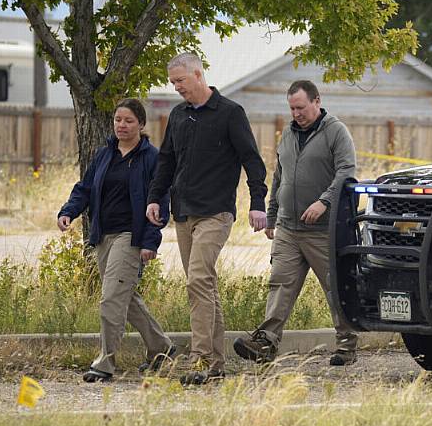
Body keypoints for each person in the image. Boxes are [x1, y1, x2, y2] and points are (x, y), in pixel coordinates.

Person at [146, 52, 267, 386]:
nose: (177, 88)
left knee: (197, 279)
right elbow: (166, 162)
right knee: (204, 285)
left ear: (198, 75)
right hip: (183, 212)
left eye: (180, 81)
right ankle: (216, 363)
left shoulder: (230, 113)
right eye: (173, 83)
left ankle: (198, 358)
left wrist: (258, 202)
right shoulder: (178, 115)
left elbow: (252, 161)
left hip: (216, 211)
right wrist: (155, 197)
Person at [233, 80, 358, 366]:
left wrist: (324, 201)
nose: (296, 113)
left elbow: (347, 172)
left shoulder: (336, 132)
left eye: (301, 107)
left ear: (317, 101)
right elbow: (280, 177)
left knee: (335, 288)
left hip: (322, 229)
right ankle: (265, 343)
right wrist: (272, 214)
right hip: (289, 228)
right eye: (292, 108)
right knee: (280, 284)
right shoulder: (288, 134)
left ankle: (347, 345)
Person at [57, 98, 175, 382]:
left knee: (110, 298)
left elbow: (159, 201)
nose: (121, 125)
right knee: (125, 297)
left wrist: (150, 241)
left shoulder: (151, 158)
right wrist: (69, 211)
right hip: (102, 235)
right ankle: (163, 348)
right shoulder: (104, 154)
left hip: (130, 237)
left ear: (141, 125)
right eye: (117, 120)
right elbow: (85, 189)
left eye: (129, 121)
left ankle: (104, 363)